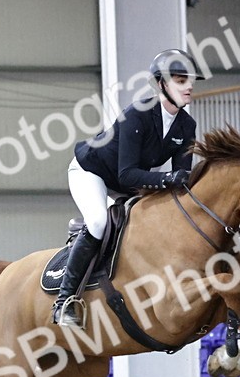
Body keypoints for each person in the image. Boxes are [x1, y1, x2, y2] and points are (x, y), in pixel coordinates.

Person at [53, 48, 204, 327]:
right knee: (98, 222)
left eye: (190, 81)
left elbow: (180, 178)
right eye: (181, 80)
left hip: (130, 182)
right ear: (161, 84)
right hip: (92, 172)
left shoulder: (186, 126)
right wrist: (167, 179)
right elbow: (127, 174)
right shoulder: (137, 114)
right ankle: (64, 302)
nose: (189, 86)